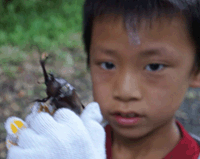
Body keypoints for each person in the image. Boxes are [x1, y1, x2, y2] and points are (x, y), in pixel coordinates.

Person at [4, 0, 200, 159]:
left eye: (154, 66)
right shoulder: (69, 143)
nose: (125, 91)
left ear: (196, 71)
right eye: (108, 64)